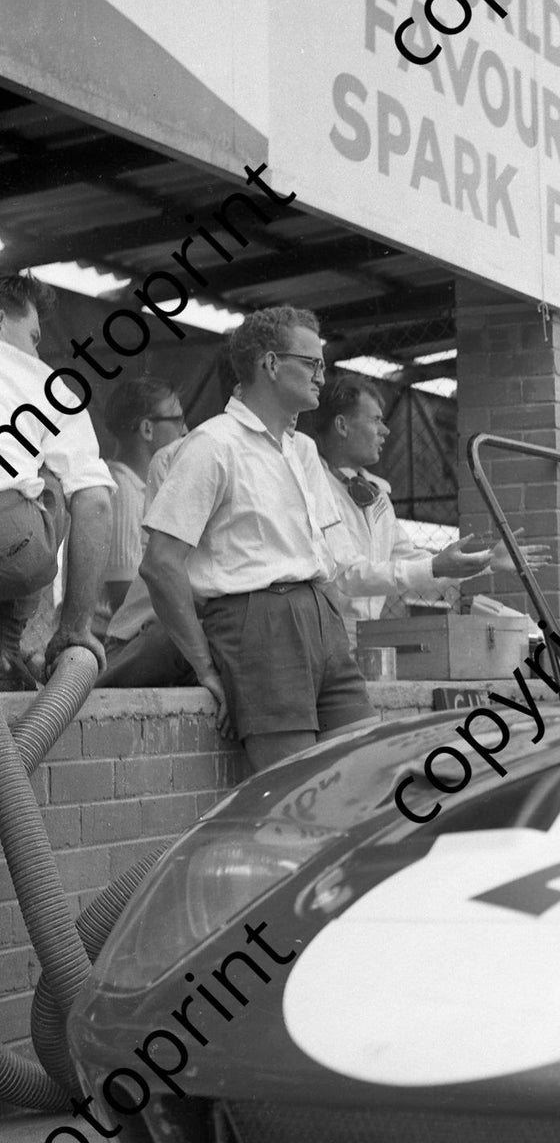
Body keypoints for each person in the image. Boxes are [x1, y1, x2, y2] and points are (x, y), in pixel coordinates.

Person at [140, 306, 376, 773]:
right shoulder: (213, 444)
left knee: (363, 774)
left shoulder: (301, 448)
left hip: (322, 620)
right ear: (270, 364)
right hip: (259, 621)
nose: (321, 378)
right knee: (294, 792)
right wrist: (205, 667)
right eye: (311, 364)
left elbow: (325, 556)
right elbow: (160, 563)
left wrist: (331, 626)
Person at [311, 375, 550, 642]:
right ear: (342, 426)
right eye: (375, 419)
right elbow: (349, 576)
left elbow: (415, 563)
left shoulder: (376, 493)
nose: (386, 430)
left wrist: (486, 561)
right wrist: (435, 566)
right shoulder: (314, 485)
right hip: (324, 635)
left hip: (366, 635)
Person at [0, 275, 114, 686]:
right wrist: (75, 629)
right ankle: (10, 644)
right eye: (32, 337)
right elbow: (96, 502)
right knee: (56, 478)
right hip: (9, 541)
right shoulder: (45, 385)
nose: (36, 350)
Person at [99, 378, 188, 624]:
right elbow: (123, 597)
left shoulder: (137, 487)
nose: (186, 430)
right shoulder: (121, 491)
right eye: (178, 420)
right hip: (113, 644)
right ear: (147, 428)